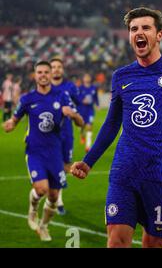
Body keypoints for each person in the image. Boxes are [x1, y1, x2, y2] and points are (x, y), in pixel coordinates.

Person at [70, 7, 162, 248]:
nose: (139, 33)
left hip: (161, 175)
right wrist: (88, 161)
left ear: (159, 34)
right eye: (134, 29)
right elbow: (112, 123)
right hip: (124, 173)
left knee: (154, 245)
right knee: (116, 243)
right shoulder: (121, 76)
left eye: (145, 28)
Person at [2, 61, 83, 241]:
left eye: (46, 72)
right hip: (35, 151)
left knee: (54, 196)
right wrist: (10, 124)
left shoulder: (62, 96)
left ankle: (44, 226)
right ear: (35, 75)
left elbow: (80, 123)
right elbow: (14, 120)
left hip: (55, 152)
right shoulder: (27, 99)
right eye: (40, 72)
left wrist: (73, 114)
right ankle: (32, 210)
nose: (44, 75)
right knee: (41, 189)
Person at [50, 57, 82, 215]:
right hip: (48, 135)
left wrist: (74, 114)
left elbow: (78, 104)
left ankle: (58, 200)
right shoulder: (44, 87)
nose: (56, 69)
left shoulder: (70, 87)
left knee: (65, 166)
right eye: (53, 67)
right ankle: (54, 199)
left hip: (66, 134)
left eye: (58, 67)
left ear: (62, 70)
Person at [78, 73, 99, 152]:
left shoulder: (93, 88)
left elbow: (95, 97)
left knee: (89, 126)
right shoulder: (80, 88)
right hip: (82, 110)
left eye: (88, 77)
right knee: (81, 126)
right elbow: (76, 98)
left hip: (90, 110)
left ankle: (88, 146)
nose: (87, 78)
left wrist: (97, 104)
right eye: (85, 77)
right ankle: (82, 135)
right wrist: (82, 100)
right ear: (83, 79)